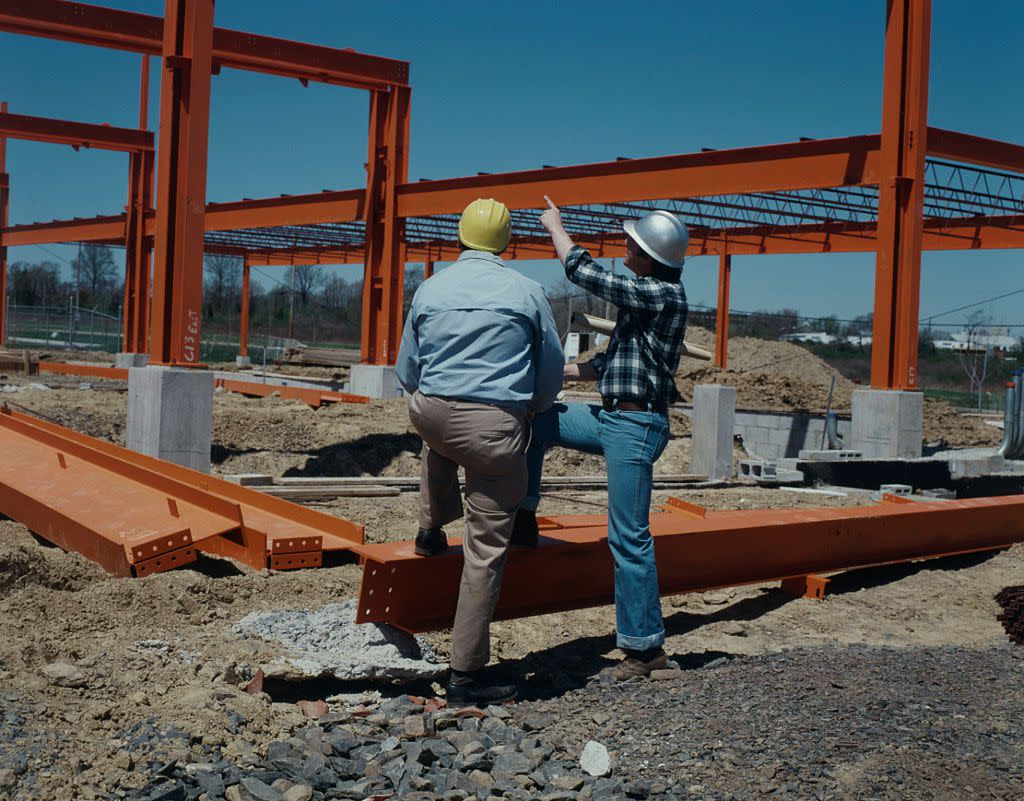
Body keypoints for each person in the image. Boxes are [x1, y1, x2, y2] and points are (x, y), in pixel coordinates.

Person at [395, 197, 564, 705]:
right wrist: (527, 411)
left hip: (430, 413)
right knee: (485, 551)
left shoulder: (431, 287)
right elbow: (551, 371)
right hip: (492, 428)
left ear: (461, 238)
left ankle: (429, 528)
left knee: (441, 436)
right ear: (506, 243)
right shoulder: (527, 291)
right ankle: (466, 675)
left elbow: (408, 370)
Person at [513, 196, 690, 680]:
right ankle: (524, 517)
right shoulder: (644, 299)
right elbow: (606, 366)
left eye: (632, 244)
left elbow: (584, 273)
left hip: (636, 426)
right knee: (539, 418)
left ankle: (645, 649)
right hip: (613, 417)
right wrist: (549, 374)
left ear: (651, 256)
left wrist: (557, 227)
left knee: (628, 537)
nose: (625, 247)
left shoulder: (662, 295)